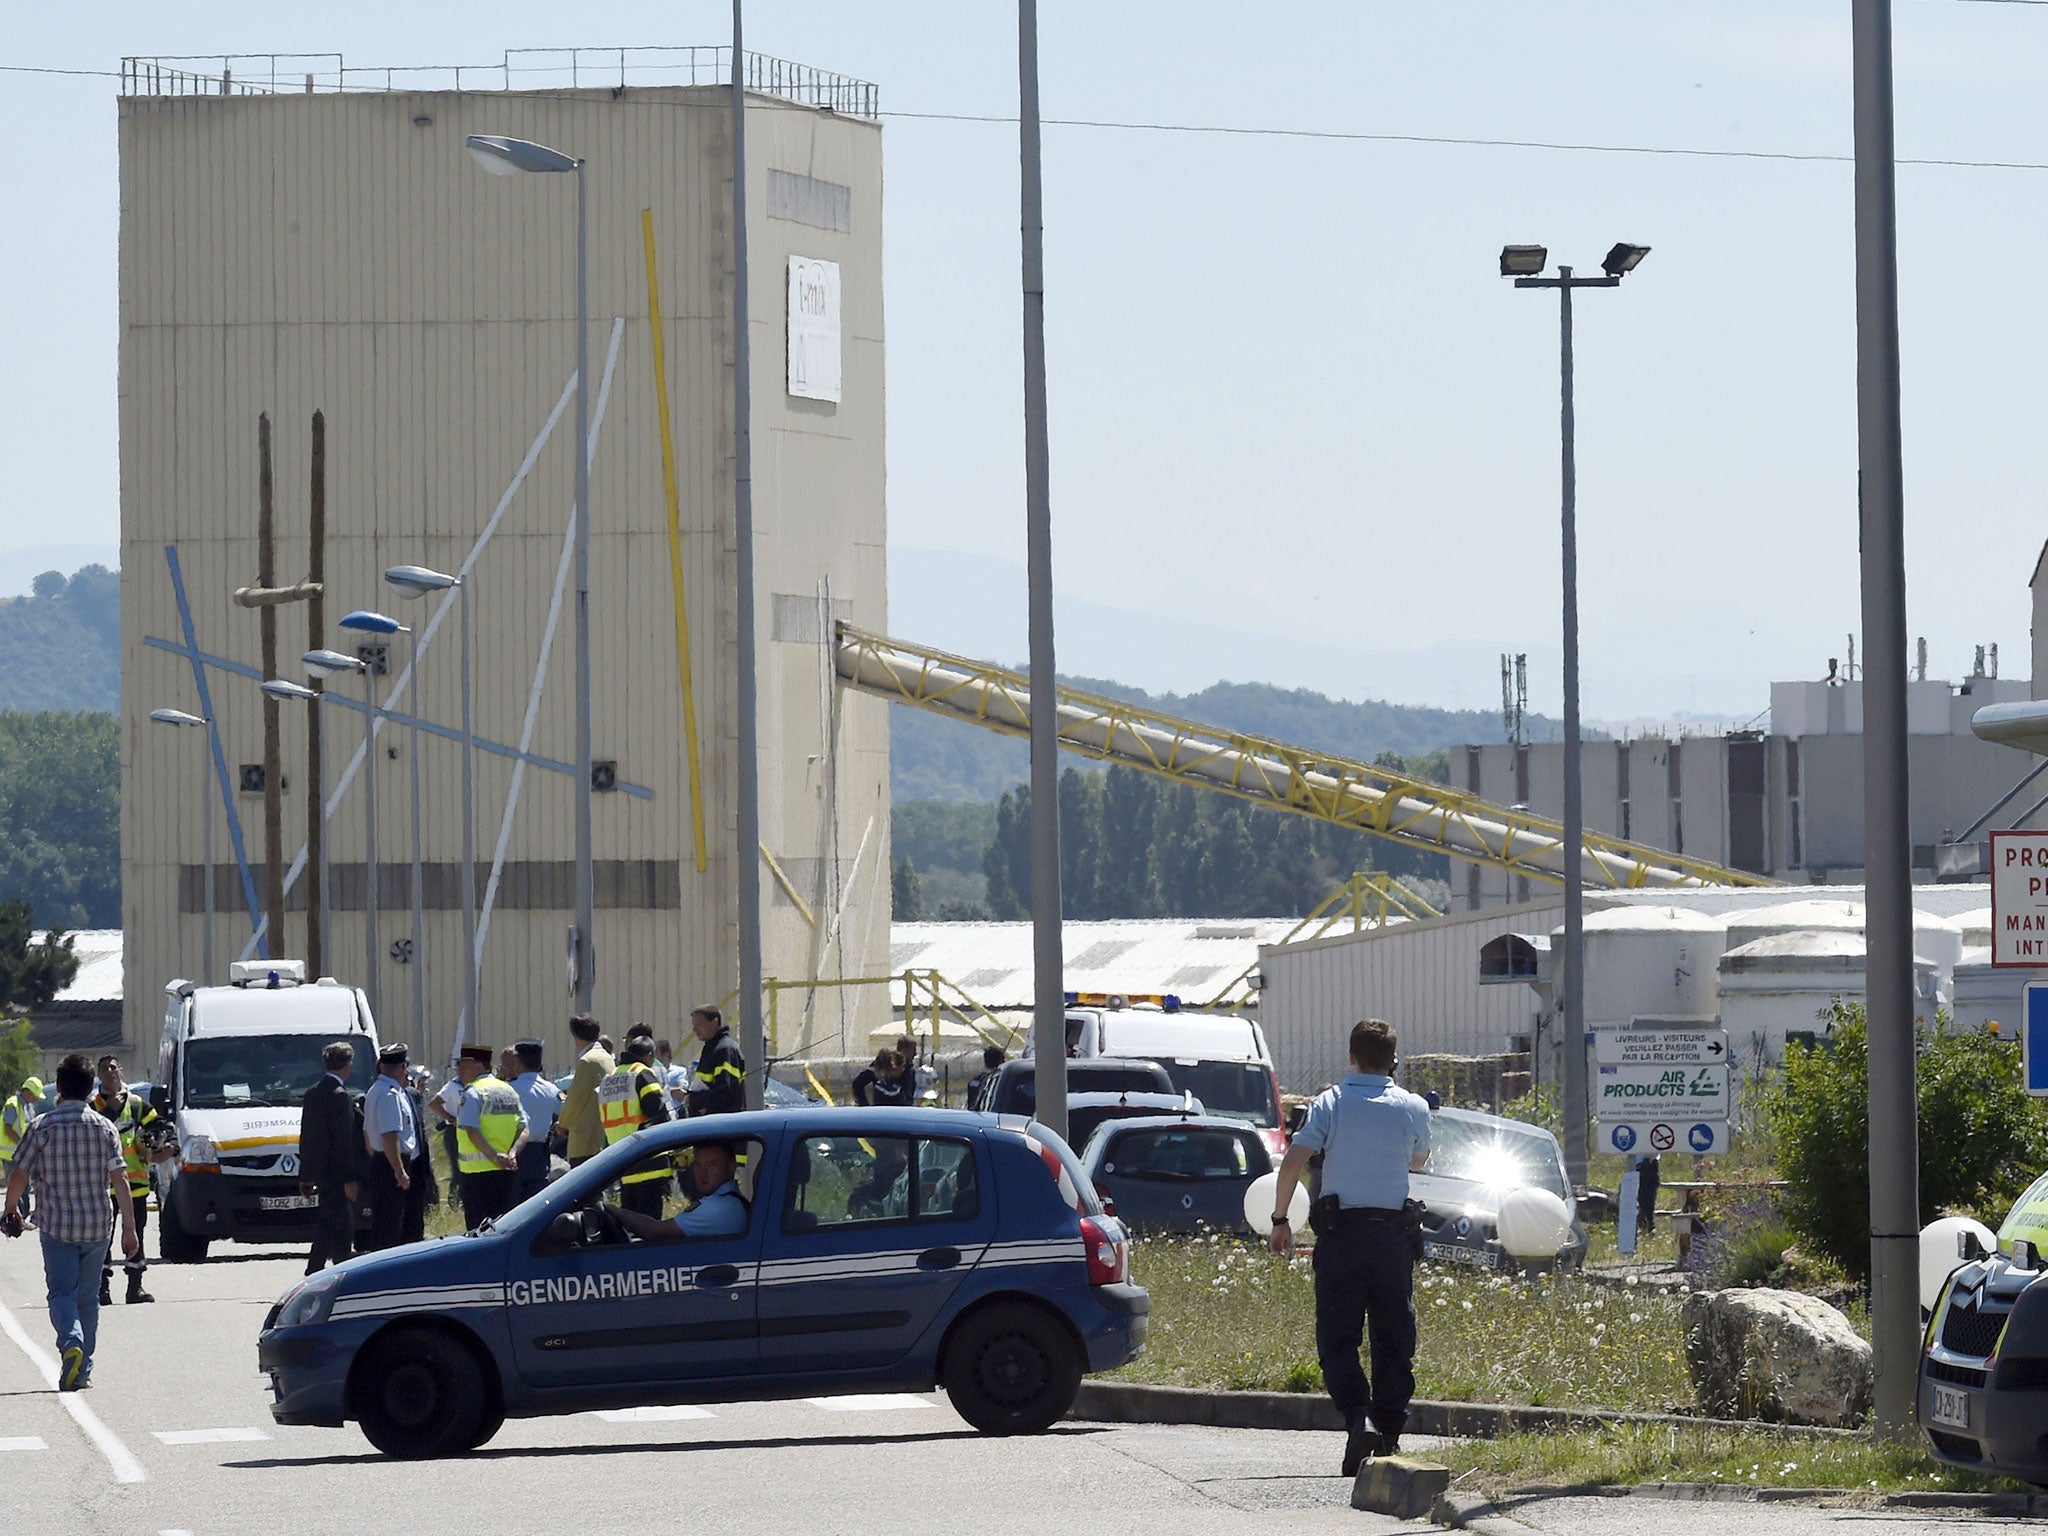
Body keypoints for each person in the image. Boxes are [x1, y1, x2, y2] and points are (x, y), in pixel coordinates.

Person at [1267, 1018, 1432, 1477]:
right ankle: (1391, 1436)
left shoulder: (1330, 1103)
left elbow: (1292, 1162)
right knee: (1394, 1337)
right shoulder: (1413, 1106)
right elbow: (1418, 1159)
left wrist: (1281, 1221)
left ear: (1351, 1057)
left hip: (1341, 1237)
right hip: (1392, 1238)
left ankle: (1357, 1422)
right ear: (1393, 1061)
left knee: (1338, 1339)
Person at [0, 1054, 141, 1391]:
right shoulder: (105, 1127)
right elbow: (120, 1180)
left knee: (61, 1292)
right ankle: (83, 1369)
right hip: (96, 1227)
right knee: (88, 1298)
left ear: (59, 1088)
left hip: (56, 1227)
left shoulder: (41, 1127)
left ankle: (71, 1342)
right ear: (91, 1087)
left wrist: (10, 1210)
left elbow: (19, 1174)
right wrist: (129, 1229)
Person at [90, 1056, 169, 1305]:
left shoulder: (136, 1105)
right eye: (105, 1068)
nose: (111, 1071)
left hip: (135, 1184)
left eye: (114, 1067)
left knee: (137, 1235)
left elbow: (160, 1126)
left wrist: (168, 1145)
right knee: (103, 1237)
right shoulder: (92, 1107)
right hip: (102, 1186)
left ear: (121, 1070)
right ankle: (102, 1289)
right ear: (99, 1075)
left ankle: (135, 1287)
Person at [296, 1041, 360, 1275]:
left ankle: (342, 1273)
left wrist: (306, 1175)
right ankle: (313, 1272)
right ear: (347, 1065)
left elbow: (308, 1137)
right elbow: (343, 1142)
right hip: (337, 1175)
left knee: (342, 1229)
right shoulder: (339, 1095)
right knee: (328, 1226)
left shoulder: (313, 1093)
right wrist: (349, 1178)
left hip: (321, 1173)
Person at [612, 1140, 749, 1242]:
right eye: (698, 1165)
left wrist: (614, 1211)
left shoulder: (718, 1208)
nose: (703, 1173)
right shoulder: (732, 1202)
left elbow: (653, 1231)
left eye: (712, 1165)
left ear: (731, 1167)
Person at [453, 1045, 527, 1230]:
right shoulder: (509, 1090)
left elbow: (471, 1130)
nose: (459, 1070)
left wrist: (494, 1156)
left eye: (463, 1064)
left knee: (478, 1230)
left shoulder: (473, 1092)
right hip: (506, 1172)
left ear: (478, 1066)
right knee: (502, 1227)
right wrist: (512, 1153)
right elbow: (524, 1129)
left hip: (477, 1175)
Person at [598, 1039, 672, 1219]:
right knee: (650, 1223)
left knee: (630, 1222)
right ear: (649, 1055)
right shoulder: (641, 1073)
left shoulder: (609, 1078)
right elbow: (656, 1108)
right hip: (648, 1156)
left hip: (622, 1158)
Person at [361, 1042, 418, 1253]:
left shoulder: (376, 1090)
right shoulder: (389, 1094)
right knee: (391, 1224)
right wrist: (399, 1171)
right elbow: (389, 1135)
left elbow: (368, 1134)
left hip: (381, 1160)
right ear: (403, 1067)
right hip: (391, 1162)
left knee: (384, 1220)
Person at [556, 1014, 614, 1167]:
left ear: (576, 1036)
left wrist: (563, 1123)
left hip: (585, 1139)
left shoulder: (587, 1061)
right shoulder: (606, 1057)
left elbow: (575, 1099)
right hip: (604, 1131)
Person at [508, 1040, 562, 1203]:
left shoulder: (509, 1088)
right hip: (540, 1152)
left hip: (513, 1150)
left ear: (517, 1061)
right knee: (536, 1203)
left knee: (512, 1203)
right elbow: (564, 1116)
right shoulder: (551, 1089)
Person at [685, 1005, 745, 1118]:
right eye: (694, 1026)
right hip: (710, 1122)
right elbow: (705, 1087)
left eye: (699, 1025)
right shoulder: (711, 1048)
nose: (694, 1030)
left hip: (722, 1124)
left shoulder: (725, 1049)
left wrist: (694, 1099)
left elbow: (726, 1093)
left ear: (714, 1022)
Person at [401, 1066, 437, 1244]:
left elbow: (420, 1130)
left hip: (417, 1163)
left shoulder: (414, 1096)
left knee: (416, 1215)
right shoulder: (386, 1093)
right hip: (398, 1161)